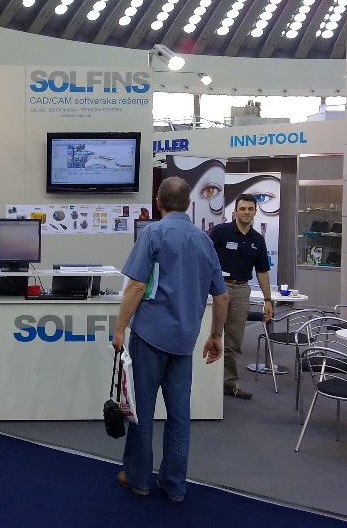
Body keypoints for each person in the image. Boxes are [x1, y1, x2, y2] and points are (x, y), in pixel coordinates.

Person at [112, 177, 227, 501]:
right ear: (188, 204)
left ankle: (138, 479)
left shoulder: (153, 233)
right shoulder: (205, 241)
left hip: (150, 335)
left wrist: (119, 329)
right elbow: (221, 297)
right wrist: (215, 336)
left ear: (158, 203)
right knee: (179, 415)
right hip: (184, 341)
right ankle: (174, 485)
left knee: (142, 411)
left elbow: (136, 286)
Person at [208, 193, 273, 400]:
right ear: (235, 211)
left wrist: (268, 299)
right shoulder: (220, 232)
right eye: (242, 209)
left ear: (255, 211)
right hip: (218, 289)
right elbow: (205, 259)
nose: (246, 212)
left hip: (242, 290)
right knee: (211, 334)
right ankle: (205, 383)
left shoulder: (258, 240)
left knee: (234, 340)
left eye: (250, 209)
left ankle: (229, 383)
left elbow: (262, 271)